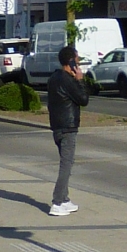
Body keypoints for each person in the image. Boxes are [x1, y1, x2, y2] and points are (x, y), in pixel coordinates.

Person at [46, 45, 89, 215]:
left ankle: (64, 199)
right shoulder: (68, 80)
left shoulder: (54, 78)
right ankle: (57, 202)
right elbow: (83, 99)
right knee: (66, 164)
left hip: (57, 125)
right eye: (77, 61)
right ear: (71, 61)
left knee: (67, 162)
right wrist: (80, 80)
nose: (78, 64)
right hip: (68, 126)